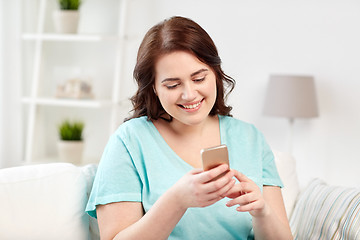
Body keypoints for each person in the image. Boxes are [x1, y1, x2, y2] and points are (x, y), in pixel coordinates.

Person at [86, 16, 293, 240]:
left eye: (199, 79)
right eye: (173, 85)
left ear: (215, 73)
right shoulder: (129, 141)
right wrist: (176, 201)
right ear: (153, 87)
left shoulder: (249, 138)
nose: (189, 94)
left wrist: (262, 212)